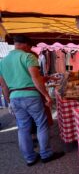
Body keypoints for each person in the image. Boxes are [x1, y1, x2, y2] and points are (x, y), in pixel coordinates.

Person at [0, 35, 64, 166]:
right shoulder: (27, 57)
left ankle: (30, 158)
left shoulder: (2, 62)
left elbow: (4, 85)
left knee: (23, 128)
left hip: (14, 97)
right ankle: (46, 154)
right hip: (31, 96)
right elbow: (36, 80)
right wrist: (46, 96)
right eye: (30, 46)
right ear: (25, 44)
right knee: (41, 124)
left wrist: (9, 101)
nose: (30, 49)